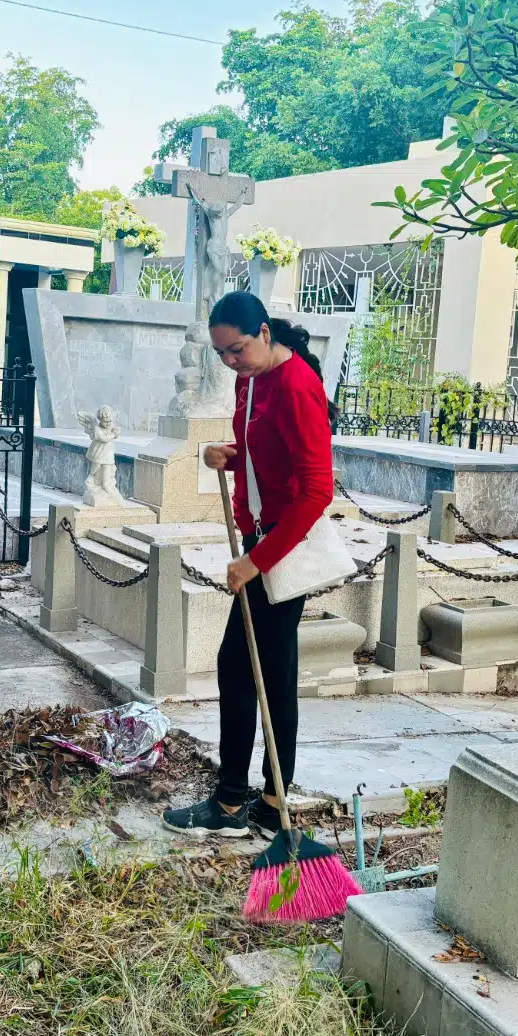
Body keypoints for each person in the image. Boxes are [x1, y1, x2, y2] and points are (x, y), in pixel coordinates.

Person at [163, 291, 334, 839]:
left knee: (242, 667)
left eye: (236, 349)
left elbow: (316, 491)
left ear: (264, 332)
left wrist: (254, 563)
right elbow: (260, 448)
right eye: (222, 355)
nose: (230, 362)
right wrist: (225, 453)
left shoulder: (298, 387)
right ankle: (268, 801)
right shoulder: (252, 378)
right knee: (272, 675)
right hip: (260, 537)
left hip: (282, 547)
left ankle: (233, 802)